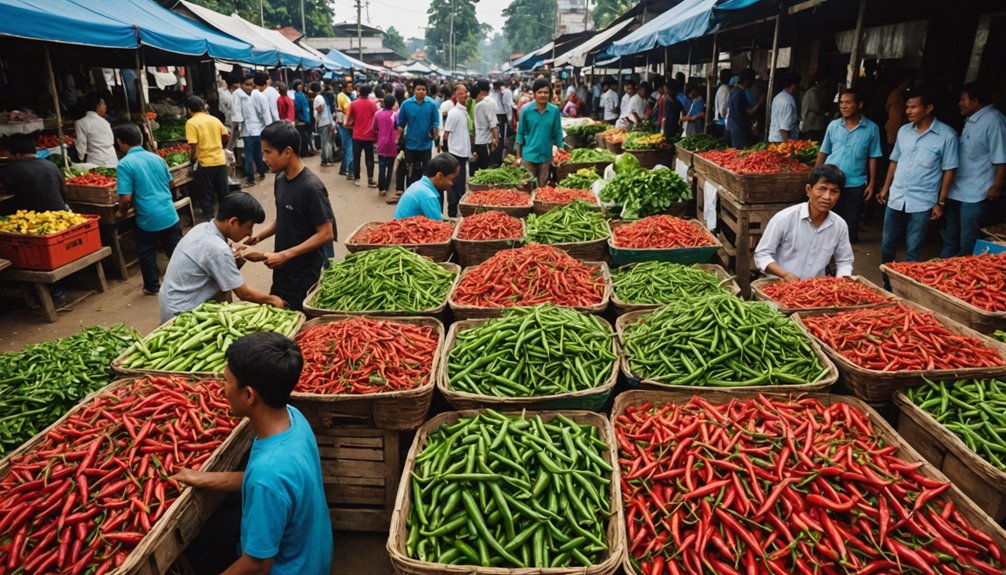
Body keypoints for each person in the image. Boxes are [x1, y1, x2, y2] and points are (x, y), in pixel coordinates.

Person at [171, 331, 332, 575]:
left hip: (290, 568)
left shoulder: (267, 475)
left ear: (248, 395)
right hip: (310, 553)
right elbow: (274, 484)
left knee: (200, 551)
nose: (222, 389)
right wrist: (202, 477)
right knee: (215, 529)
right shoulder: (292, 417)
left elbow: (256, 566)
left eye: (226, 381)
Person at [243, 122, 336, 310]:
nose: (263, 158)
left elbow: (326, 233)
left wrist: (286, 254)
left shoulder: (311, 187)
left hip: (303, 275)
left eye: (268, 152)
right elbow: (284, 217)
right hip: (282, 271)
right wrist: (258, 237)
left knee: (298, 325)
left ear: (287, 152)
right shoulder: (280, 179)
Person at [160, 193, 285, 323]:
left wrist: (257, 255)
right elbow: (244, 294)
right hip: (183, 315)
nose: (250, 234)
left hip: (170, 303)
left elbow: (215, 255)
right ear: (233, 222)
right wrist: (272, 299)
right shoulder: (218, 250)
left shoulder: (203, 228)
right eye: (249, 227)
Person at [879, 89, 959, 289]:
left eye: (913, 107)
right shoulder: (904, 131)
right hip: (897, 196)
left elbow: (949, 170)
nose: (908, 111)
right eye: (907, 106)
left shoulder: (946, 135)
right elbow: (894, 161)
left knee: (913, 248)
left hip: (923, 201)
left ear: (929, 108)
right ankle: (887, 283)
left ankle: (903, 287)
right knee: (887, 243)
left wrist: (940, 202)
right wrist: (885, 188)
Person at [754, 164, 854, 282]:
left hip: (815, 290)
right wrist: (784, 274)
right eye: (822, 189)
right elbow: (762, 255)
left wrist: (841, 282)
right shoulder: (784, 218)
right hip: (778, 286)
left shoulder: (839, 225)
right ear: (809, 190)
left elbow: (844, 261)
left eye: (834, 191)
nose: (827, 197)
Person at [113, 124, 181, 296]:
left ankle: (152, 286)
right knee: (175, 250)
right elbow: (171, 184)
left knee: (147, 251)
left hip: (148, 218)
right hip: (169, 212)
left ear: (120, 142)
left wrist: (121, 212)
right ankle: (184, 279)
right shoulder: (157, 158)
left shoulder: (125, 164)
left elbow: (126, 198)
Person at [943, 81, 1006, 257]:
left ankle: (958, 279)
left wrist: (996, 186)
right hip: (958, 189)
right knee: (950, 237)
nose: (959, 103)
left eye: (963, 99)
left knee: (967, 241)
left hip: (976, 193)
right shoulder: (972, 120)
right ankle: (939, 271)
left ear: (976, 101)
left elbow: (1001, 159)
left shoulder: (994, 121)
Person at [815, 88, 883, 243]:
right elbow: (824, 151)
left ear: (859, 104)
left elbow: (873, 157)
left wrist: (872, 184)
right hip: (830, 180)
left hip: (855, 182)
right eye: (841, 103)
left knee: (850, 223)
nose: (843, 106)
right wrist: (814, 176)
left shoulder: (871, 128)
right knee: (828, 218)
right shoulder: (833, 125)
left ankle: (845, 254)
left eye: (848, 102)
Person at [185, 96, 230, 223]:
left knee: (206, 194)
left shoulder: (191, 123)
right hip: (220, 160)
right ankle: (228, 217)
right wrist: (221, 146)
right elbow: (226, 135)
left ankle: (210, 220)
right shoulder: (214, 119)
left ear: (189, 109)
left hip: (205, 163)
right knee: (223, 192)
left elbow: (193, 145)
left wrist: (193, 158)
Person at [516, 78, 564, 188]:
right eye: (539, 92)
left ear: (550, 94)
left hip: (546, 157)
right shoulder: (526, 110)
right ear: (534, 94)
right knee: (527, 187)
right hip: (529, 156)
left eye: (546, 92)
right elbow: (520, 133)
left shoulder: (554, 110)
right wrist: (518, 157)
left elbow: (557, 132)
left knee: (542, 189)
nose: (543, 95)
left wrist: (561, 147)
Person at [1, 133, 66, 212]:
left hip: (34, 217)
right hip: (60, 212)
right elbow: (64, 193)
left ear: (17, 154)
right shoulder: (51, 165)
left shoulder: (12, 169)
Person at [396, 78, 441, 188]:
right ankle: (410, 192)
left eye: (423, 89)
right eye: (419, 89)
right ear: (414, 90)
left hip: (426, 145)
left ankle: (423, 193)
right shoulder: (406, 104)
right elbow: (401, 124)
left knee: (426, 172)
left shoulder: (431, 104)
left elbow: (435, 123)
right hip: (410, 144)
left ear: (426, 91)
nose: (421, 91)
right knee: (410, 172)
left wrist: (436, 139)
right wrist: (397, 139)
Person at [394, 153, 459, 220]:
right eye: (452, 179)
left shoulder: (420, 185)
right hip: (404, 229)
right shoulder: (428, 196)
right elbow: (438, 224)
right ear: (439, 176)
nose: (452, 184)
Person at [235, 75, 270, 187]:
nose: (249, 87)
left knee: (250, 156)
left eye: (251, 84)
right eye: (247, 85)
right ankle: (261, 172)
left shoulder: (247, 97)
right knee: (257, 154)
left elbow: (238, 117)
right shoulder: (246, 96)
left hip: (251, 132)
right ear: (241, 85)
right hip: (254, 131)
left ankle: (251, 178)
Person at [443, 84, 471, 218]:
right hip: (455, 154)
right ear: (455, 96)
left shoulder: (464, 111)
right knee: (454, 186)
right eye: (460, 94)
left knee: (459, 186)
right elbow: (446, 134)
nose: (463, 96)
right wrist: (447, 153)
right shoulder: (454, 113)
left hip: (463, 154)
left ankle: (457, 213)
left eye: (465, 93)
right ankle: (452, 213)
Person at [346, 84, 377, 188]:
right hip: (369, 135)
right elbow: (375, 118)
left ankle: (357, 178)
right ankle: (370, 179)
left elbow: (347, 121)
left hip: (357, 135)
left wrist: (350, 126)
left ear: (359, 91)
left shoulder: (353, 104)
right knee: (369, 158)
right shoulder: (373, 104)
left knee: (356, 157)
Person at [75, 93, 118, 167]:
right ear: (97, 106)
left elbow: (81, 147)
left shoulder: (81, 123)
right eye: (103, 104)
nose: (105, 107)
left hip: (96, 161)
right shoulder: (105, 122)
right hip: (112, 159)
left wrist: (80, 161)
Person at [726, 70, 760, 149]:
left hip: (731, 127)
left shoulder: (733, 91)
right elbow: (749, 112)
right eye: (753, 81)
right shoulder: (740, 94)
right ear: (747, 80)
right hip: (739, 130)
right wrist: (760, 102)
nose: (753, 84)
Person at [374, 95, 399, 198]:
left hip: (381, 143)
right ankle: (386, 187)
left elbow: (374, 128)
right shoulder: (395, 115)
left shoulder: (377, 114)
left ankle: (381, 188)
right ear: (393, 104)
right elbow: (398, 128)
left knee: (381, 166)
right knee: (390, 166)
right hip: (392, 144)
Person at [472, 79, 499, 173]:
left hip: (480, 142)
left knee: (482, 170)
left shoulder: (479, 105)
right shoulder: (487, 103)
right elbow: (493, 125)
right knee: (487, 169)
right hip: (486, 142)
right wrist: (495, 140)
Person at [769, 73, 801, 143]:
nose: (799, 89)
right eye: (798, 86)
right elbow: (784, 129)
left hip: (774, 138)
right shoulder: (787, 102)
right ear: (793, 86)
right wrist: (790, 145)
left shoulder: (778, 97)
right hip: (781, 141)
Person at [311, 81, 335, 168]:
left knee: (324, 143)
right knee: (328, 142)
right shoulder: (323, 97)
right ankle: (329, 160)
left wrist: (316, 122)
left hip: (323, 122)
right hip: (328, 121)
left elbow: (319, 109)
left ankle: (326, 160)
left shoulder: (318, 98)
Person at [801, 76, 829, 141]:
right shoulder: (813, 92)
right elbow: (815, 107)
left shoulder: (816, 91)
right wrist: (825, 113)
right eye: (824, 82)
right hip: (812, 125)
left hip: (814, 126)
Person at [336, 80, 355, 179]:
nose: (350, 88)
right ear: (343, 87)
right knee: (348, 146)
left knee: (347, 146)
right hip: (344, 124)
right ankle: (348, 170)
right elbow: (346, 110)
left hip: (347, 124)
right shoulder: (341, 96)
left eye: (351, 87)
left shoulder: (350, 96)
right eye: (349, 87)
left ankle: (343, 169)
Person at [292, 81, 312, 157]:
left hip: (306, 119)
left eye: (301, 84)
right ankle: (304, 152)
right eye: (298, 85)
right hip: (302, 119)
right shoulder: (296, 96)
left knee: (306, 136)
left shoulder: (302, 95)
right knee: (303, 137)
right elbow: (297, 108)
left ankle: (306, 151)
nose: (300, 86)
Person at [712, 69, 732, 138]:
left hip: (719, 121)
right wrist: (725, 117)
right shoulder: (725, 89)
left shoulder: (721, 88)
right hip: (721, 123)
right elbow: (723, 108)